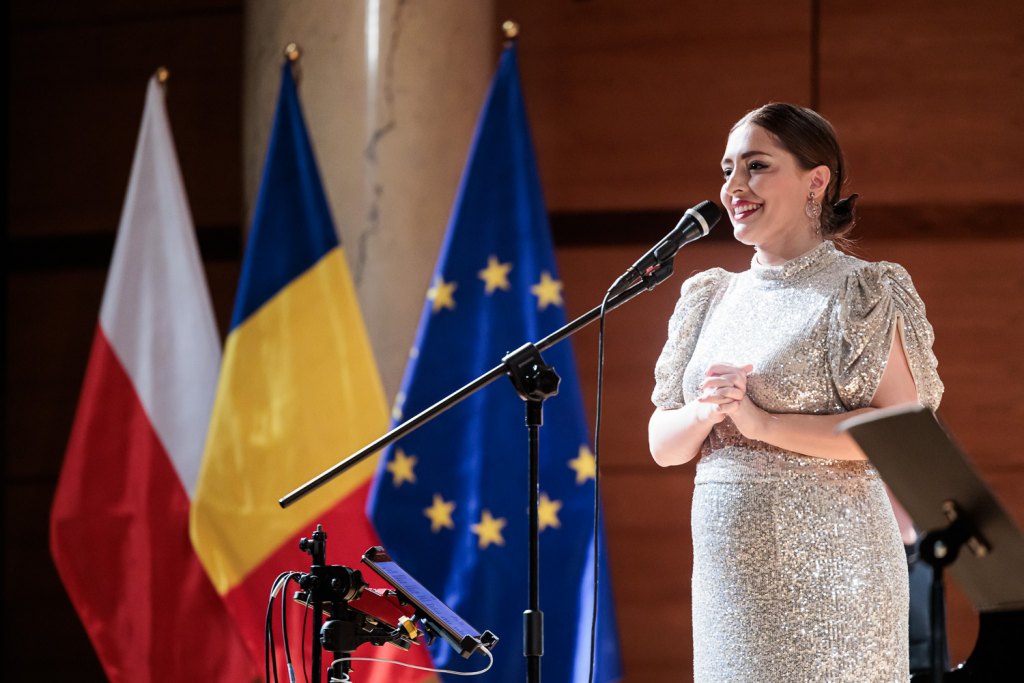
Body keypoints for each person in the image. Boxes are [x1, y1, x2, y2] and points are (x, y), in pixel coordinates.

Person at [648, 103, 943, 682]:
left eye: (756, 166)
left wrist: (763, 424)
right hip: (729, 585)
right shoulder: (709, 296)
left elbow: (901, 433)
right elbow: (663, 445)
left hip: (838, 577)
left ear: (816, 180)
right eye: (728, 170)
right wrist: (705, 412)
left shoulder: (862, 291)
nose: (733, 187)